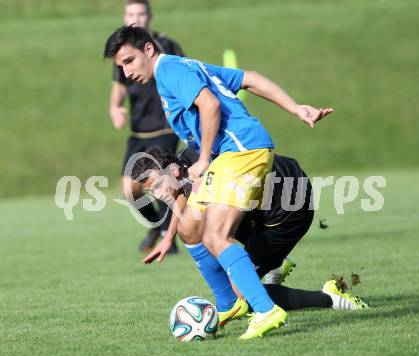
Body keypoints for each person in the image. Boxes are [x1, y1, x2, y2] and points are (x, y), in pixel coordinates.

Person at [103, 25, 333, 339]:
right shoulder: (186, 66)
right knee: (190, 225)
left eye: (129, 61)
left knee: (215, 235)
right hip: (235, 154)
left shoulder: (169, 70)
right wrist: (295, 107)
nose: (127, 72)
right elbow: (248, 78)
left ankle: (265, 311)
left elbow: (209, 105)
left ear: (147, 49)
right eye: (121, 67)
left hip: (241, 152)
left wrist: (204, 157)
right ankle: (228, 305)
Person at [130, 147, 369, 326]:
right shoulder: (188, 161)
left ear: (172, 170)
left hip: (288, 210)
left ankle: (330, 297)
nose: (158, 195)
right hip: (262, 203)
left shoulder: (204, 170)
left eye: (158, 185)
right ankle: (266, 269)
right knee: (203, 224)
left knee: (243, 290)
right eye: (152, 191)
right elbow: (182, 206)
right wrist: (168, 238)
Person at [109, 0, 183, 253]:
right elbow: (118, 86)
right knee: (130, 190)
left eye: (140, 13)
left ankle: (168, 236)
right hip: (138, 130)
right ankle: (157, 226)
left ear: (149, 16)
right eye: (130, 13)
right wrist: (115, 108)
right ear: (124, 15)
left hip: (165, 127)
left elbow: (182, 75)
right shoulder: (122, 50)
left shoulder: (166, 44)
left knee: (162, 180)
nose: (135, 18)